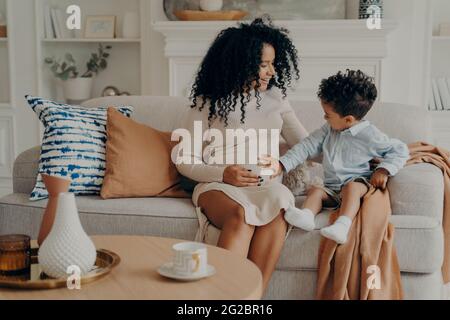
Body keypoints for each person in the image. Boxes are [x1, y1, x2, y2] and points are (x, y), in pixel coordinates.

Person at [174, 16, 309, 293]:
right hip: (218, 186)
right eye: (263, 64)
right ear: (241, 63)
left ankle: (251, 300)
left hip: (266, 186)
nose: (271, 71)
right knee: (241, 214)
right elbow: (183, 158)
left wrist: (369, 156)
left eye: (273, 63)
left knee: (280, 203)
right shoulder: (206, 102)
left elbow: (307, 146)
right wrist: (222, 173)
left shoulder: (277, 98)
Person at [271, 69, 410, 244]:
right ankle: (306, 216)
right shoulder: (328, 129)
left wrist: (383, 169)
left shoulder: (370, 135)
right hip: (331, 188)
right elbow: (306, 146)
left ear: (349, 119)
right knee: (315, 190)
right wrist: (282, 164)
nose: (324, 117)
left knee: (352, 187)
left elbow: (400, 150)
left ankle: (342, 225)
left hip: (357, 184)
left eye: (328, 115)